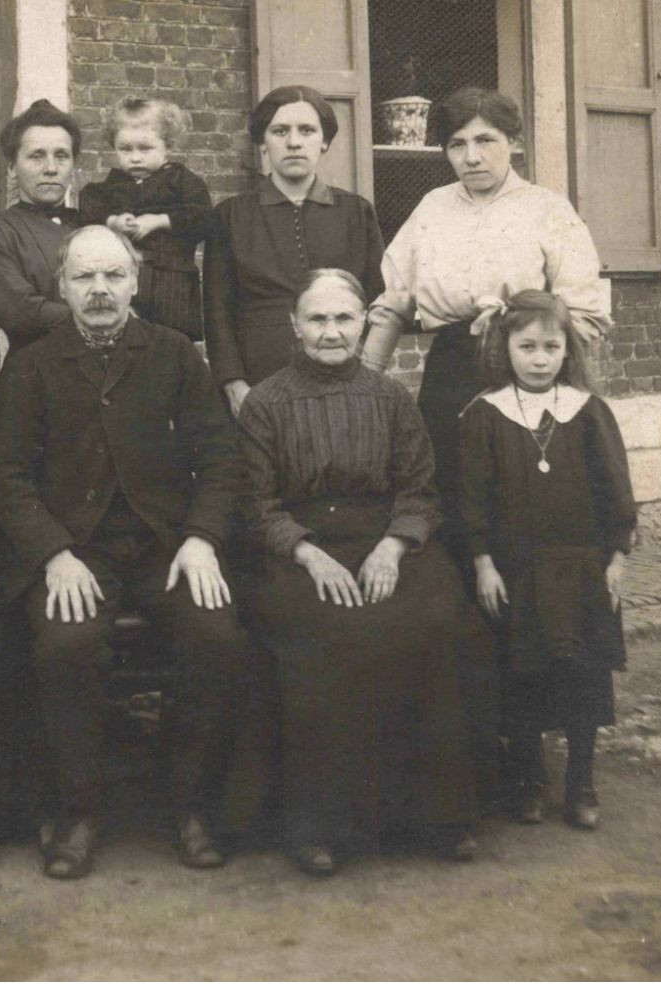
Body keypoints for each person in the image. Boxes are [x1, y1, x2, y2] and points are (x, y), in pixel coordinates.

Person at [0, 225, 248, 879]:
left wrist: (199, 539)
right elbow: (8, 477)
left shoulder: (176, 355)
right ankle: (78, 809)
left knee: (214, 634)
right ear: (63, 287)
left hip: (165, 544)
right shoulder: (29, 365)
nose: (99, 290)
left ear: (134, 283)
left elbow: (219, 459)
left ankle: (189, 802)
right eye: (84, 277)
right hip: (76, 550)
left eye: (112, 276)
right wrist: (53, 553)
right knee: (65, 643)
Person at [236, 269, 480, 875]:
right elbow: (254, 504)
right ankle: (319, 825)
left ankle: (436, 816)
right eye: (316, 319)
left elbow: (421, 489)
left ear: (362, 325)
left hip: (383, 537)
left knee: (435, 619)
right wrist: (307, 551)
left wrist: (394, 547)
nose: (330, 331)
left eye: (343, 319)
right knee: (327, 630)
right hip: (297, 549)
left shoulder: (391, 398)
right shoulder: (265, 403)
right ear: (294, 327)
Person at [364, 87, 612, 568]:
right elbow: (394, 300)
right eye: (457, 144)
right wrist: (362, 381)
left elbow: (584, 316)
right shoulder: (433, 208)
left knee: (523, 504)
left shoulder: (547, 209)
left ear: (513, 141)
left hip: (529, 374)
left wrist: (524, 331)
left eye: (486, 140)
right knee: (454, 497)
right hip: (451, 375)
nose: (471, 157)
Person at [460, 290, 636, 831]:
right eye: (527, 346)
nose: (539, 358)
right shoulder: (484, 415)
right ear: (505, 347)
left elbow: (616, 491)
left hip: (582, 567)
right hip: (517, 571)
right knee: (524, 674)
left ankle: (581, 780)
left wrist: (617, 558)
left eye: (551, 347)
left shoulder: (586, 412)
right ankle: (529, 777)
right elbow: (471, 497)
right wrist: (483, 561)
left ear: (567, 351)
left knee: (582, 674)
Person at [205, 85, 385, 414]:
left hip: (341, 375)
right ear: (262, 142)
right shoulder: (230, 216)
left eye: (307, 130)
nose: (294, 142)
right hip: (258, 377)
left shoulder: (355, 212)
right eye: (279, 131)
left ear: (325, 140)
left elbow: (375, 297)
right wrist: (234, 384)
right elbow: (217, 310)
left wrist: (362, 371)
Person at [78, 97, 212, 341]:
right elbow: (87, 209)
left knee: (172, 347)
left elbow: (203, 217)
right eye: (125, 149)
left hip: (173, 285)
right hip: (125, 287)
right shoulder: (109, 188)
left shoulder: (182, 182)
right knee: (125, 343)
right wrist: (113, 222)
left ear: (167, 145)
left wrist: (160, 220)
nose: (135, 157)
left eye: (145, 148)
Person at [0, 99, 83, 358]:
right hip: (34, 378)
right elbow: (21, 313)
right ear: (12, 167)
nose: (51, 169)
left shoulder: (92, 226)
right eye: (37, 156)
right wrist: (103, 319)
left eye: (62, 156)